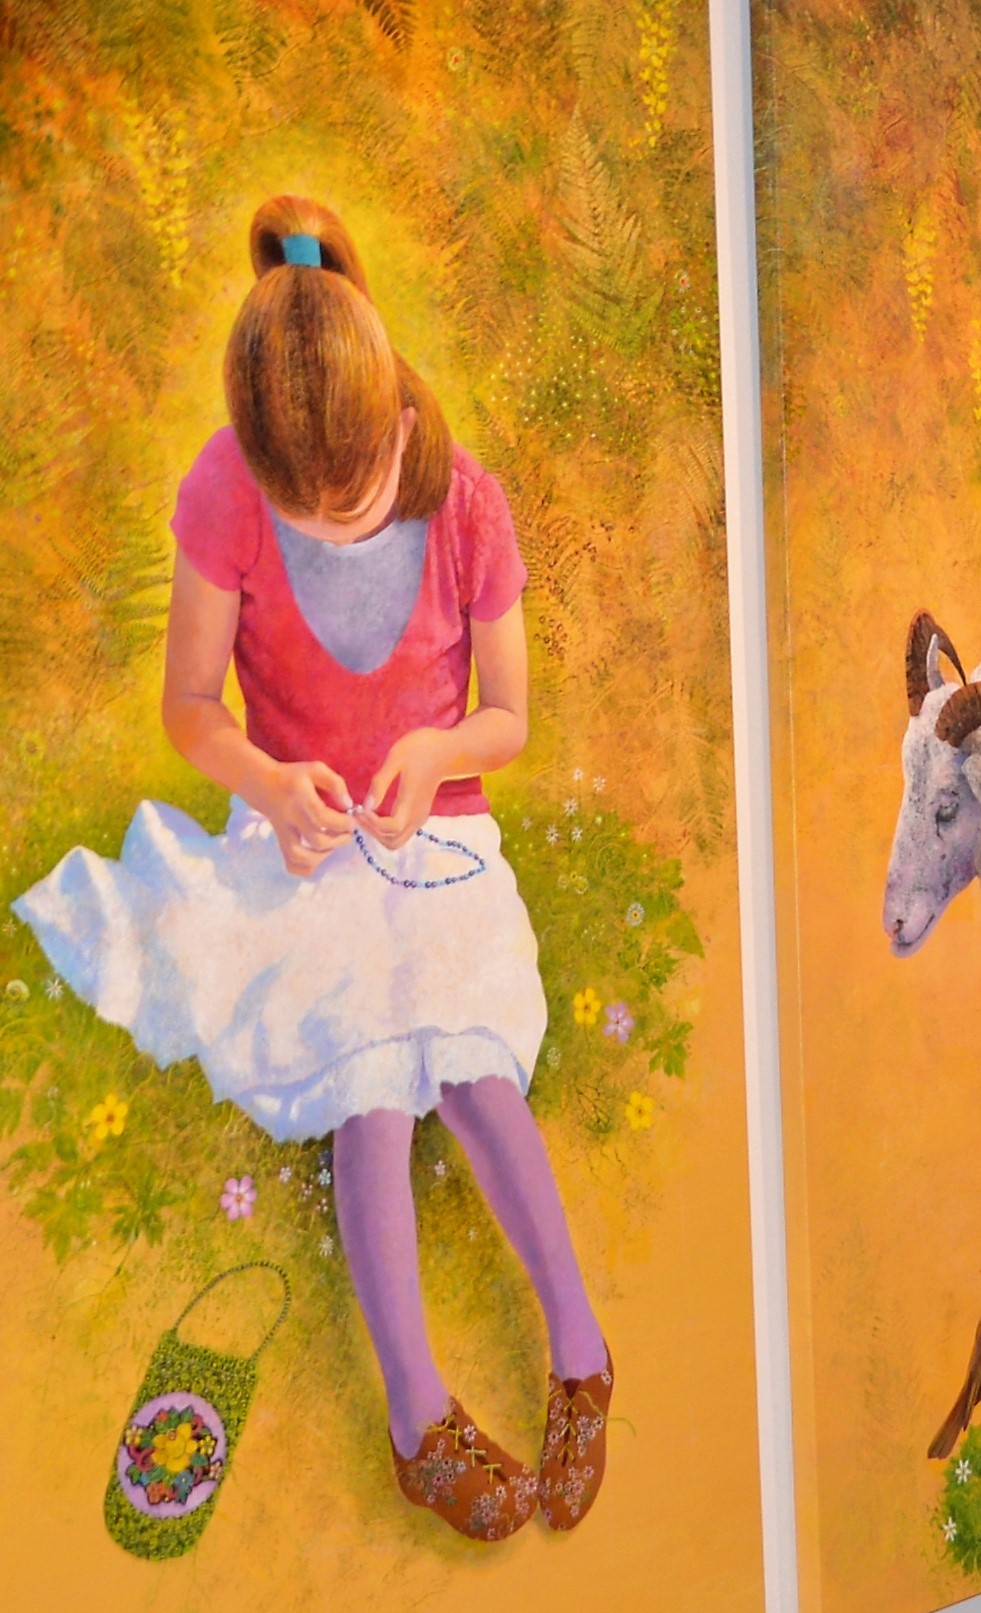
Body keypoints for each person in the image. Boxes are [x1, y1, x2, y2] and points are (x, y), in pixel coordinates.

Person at [15, 196, 615, 1542]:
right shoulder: (225, 492)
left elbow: (508, 719)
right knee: (367, 1077)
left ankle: (581, 1354)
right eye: (308, 518)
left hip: (437, 828)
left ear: (396, 423)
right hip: (302, 834)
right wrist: (273, 783)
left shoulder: (466, 502)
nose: (335, 536)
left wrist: (436, 750)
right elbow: (191, 709)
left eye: (356, 507)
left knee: (469, 1061)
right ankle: (417, 1415)